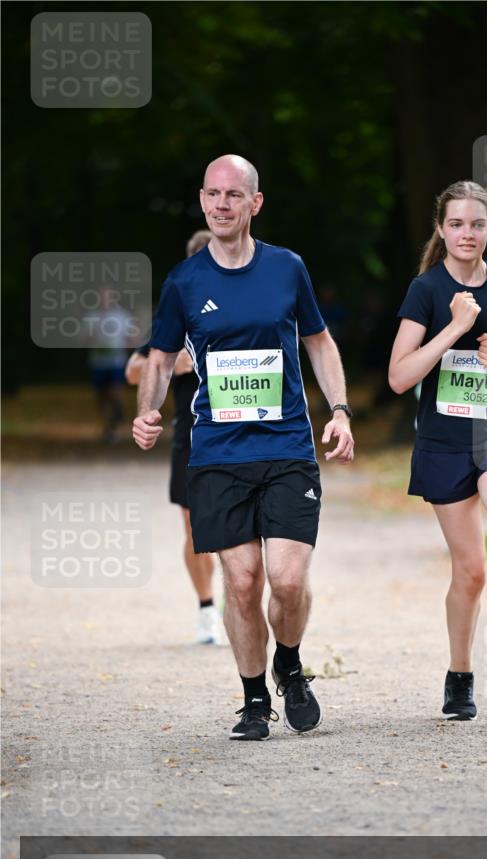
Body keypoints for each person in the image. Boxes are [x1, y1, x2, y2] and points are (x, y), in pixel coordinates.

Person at [133, 154, 354, 741]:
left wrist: (340, 410)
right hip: (218, 453)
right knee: (242, 581)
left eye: (233, 194)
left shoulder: (286, 268)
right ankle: (255, 700)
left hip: (286, 447)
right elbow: (159, 358)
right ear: (202, 201)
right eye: (212, 194)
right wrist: (147, 410)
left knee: (287, 580)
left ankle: (290, 664)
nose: (221, 204)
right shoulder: (184, 282)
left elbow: (319, 342)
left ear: (255, 203)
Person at [389, 180, 487, 722]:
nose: (466, 233)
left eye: (477, 224)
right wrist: (454, 327)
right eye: (456, 224)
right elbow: (398, 376)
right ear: (441, 228)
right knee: (472, 571)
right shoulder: (426, 290)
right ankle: (460, 675)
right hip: (445, 443)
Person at [125, 229, 223, 646]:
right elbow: (133, 370)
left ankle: (242, 601)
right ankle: (207, 609)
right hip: (192, 435)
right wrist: (174, 362)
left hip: (243, 431)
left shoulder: (248, 307)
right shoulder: (178, 311)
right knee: (195, 529)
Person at [86, 287, 136, 443]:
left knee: (115, 391)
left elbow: (132, 337)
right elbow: (84, 338)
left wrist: (128, 349)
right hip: (98, 362)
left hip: (116, 361)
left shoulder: (122, 316)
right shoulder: (92, 317)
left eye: (108, 296)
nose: (105, 299)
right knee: (101, 395)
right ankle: (108, 427)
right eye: (102, 296)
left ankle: (116, 416)